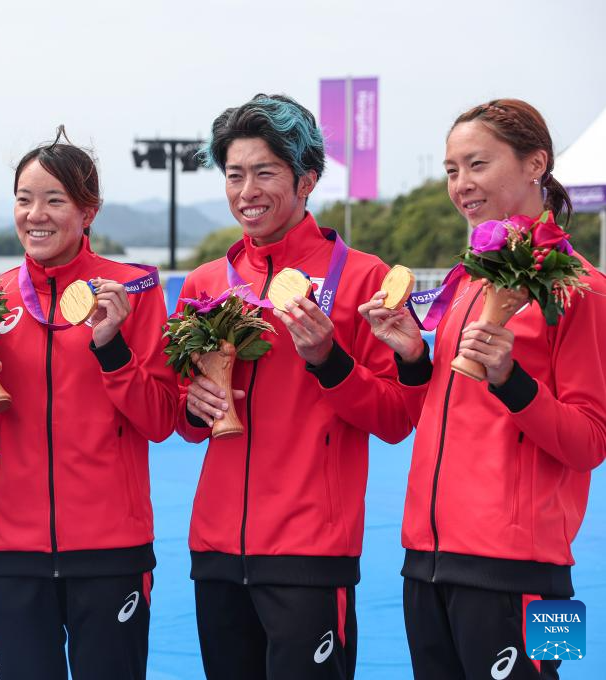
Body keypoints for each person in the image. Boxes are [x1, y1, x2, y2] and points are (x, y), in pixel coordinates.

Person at [359, 98, 606, 680]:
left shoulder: (583, 289)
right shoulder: (470, 280)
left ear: (535, 163)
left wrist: (511, 380)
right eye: (452, 170)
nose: (461, 184)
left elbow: (590, 442)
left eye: (477, 164)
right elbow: (445, 411)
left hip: (523, 572)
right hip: (427, 562)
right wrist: (414, 357)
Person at [176, 94, 413, 680]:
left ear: (306, 179)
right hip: (216, 549)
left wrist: (329, 361)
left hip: (311, 551)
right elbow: (184, 423)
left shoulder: (364, 277)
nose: (246, 191)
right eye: (234, 174)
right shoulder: (205, 282)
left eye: (265, 173)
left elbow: (395, 418)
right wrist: (193, 405)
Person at [0, 130, 178, 680]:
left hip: (110, 548)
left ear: (88, 211)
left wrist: (113, 348)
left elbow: (160, 419)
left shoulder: (132, 291)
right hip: (11, 551)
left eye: (54, 200)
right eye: (24, 199)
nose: (36, 215)